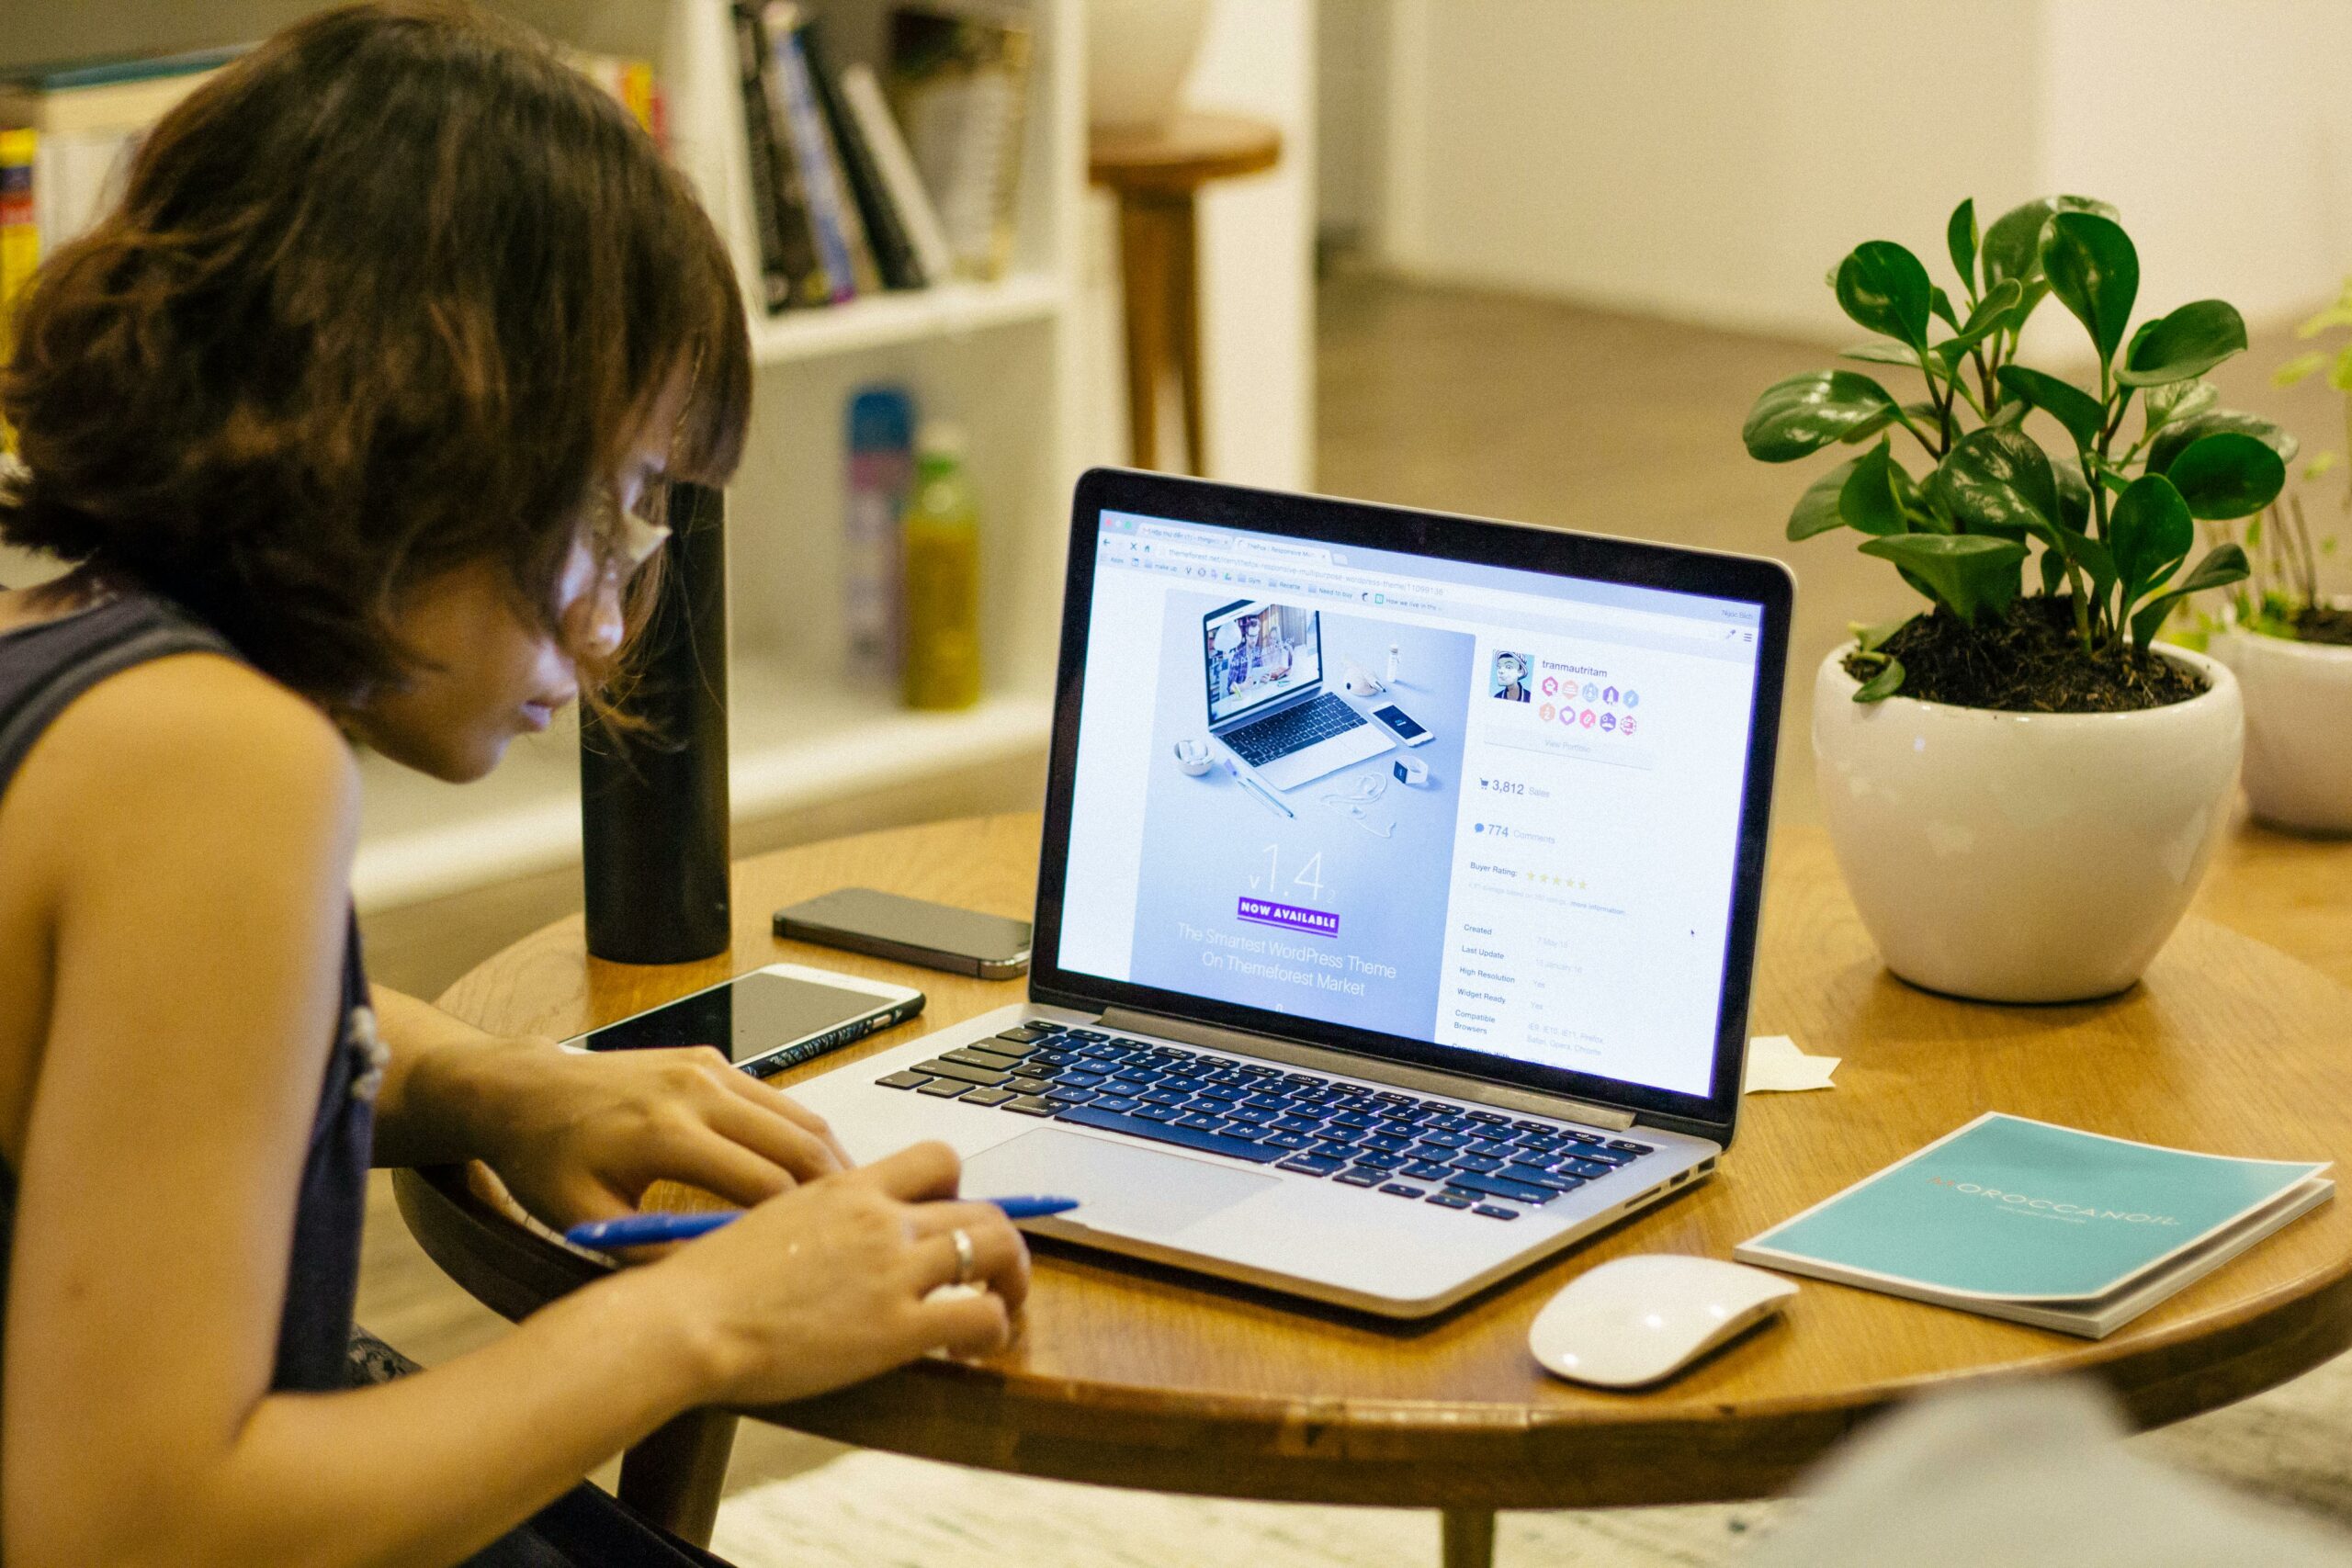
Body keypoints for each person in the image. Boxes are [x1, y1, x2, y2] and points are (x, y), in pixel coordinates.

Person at [0, 6, 1027, 1565]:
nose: (615, 623)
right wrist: (707, 1320)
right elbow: (131, 1526)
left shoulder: (60, 632)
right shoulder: (221, 766)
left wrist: (492, 1082)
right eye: (607, 511)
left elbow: (140, 1046)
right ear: (427, 430)